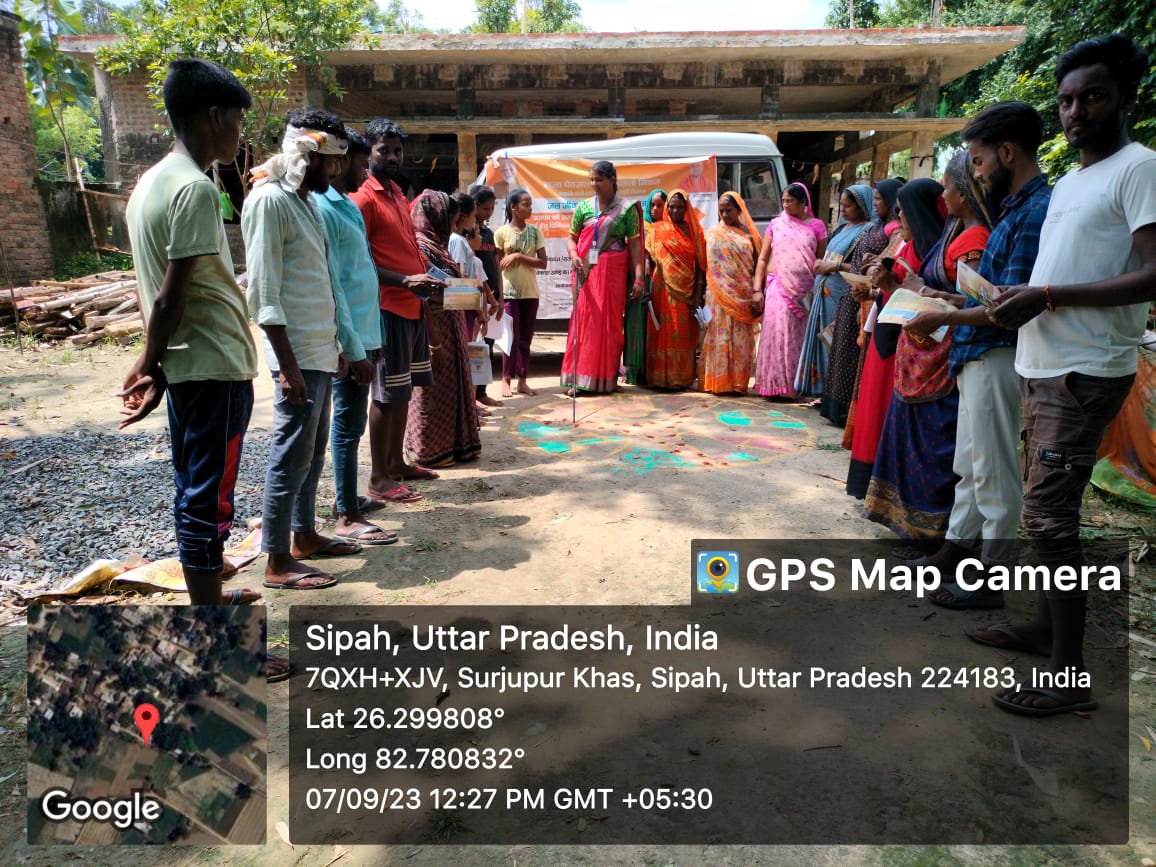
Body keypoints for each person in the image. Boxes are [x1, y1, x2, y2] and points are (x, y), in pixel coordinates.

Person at [975, 35, 1156, 716]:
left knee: (1051, 521)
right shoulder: (1074, 181)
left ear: (1124, 96)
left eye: (1093, 97)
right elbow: (1062, 269)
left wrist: (1047, 296)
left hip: (1084, 371)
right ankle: (1043, 627)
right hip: (1039, 364)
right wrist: (1019, 296)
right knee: (1041, 512)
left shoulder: (1140, 169)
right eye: (1067, 101)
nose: (1076, 112)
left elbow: (1152, 273)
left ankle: (1068, 678)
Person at [120, 59, 265, 610]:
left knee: (195, 487)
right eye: (237, 120)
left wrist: (157, 364)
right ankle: (212, 625)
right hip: (215, 366)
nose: (240, 134)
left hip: (191, 366)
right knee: (209, 498)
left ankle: (211, 600)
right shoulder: (194, 189)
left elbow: (149, 290)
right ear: (214, 116)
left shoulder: (147, 185)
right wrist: (147, 362)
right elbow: (168, 295)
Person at [902, 102, 1051, 607]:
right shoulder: (1013, 211)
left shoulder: (1033, 212)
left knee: (994, 472)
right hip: (978, 353)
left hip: (995, 353)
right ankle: (956, 550)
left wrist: (943, 316)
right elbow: (995, 295)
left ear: (1007, 152)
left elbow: (1010, 308)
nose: (978, 173)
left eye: (980, 161)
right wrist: (947, 299)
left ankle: (991, 576)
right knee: (970, 464)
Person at [243, 107, 354, 590]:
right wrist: (287, 367)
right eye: (332, 160)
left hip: (319, 350)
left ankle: (304, 535)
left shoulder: (306, 202)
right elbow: (264, 293)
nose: (338, 169)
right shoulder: (269, 201)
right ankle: (276, 559)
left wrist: (338, 343)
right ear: (308, 155)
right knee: (290, 455)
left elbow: (317, 282)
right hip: (296, 356)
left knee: (311, 453)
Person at [862, 150, 993, 543]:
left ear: (964, 193)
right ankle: (913, 524)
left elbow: (975, 301)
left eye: (948, 188)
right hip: (921, 355)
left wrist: (920, 292)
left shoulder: (974, 240)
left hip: (941, 355)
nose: (944, 195)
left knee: (936, 444)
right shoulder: (956, 235)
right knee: (915, 439)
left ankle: (934, 529)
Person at [312, 127, 398, 547]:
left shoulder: (345, 204)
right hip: (348, 340)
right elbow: (335, 284)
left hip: (364, 332)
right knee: (346, 426)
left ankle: (348, 499)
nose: (366, 173)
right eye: (362, 165)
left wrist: (374, 336)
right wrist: (351, 344)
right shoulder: (324, 208)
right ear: (341, 161)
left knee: (352, 423)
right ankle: (346, 514)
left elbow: (362, 273)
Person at [351, 119, 444, 501]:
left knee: (403, 391)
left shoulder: (397, 194)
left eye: (398, 151)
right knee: (386, 394)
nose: (392, 157)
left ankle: (396, 463)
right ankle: (378, 478)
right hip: (387, 307)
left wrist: (426, 279)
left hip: (412, 307)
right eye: (384, 150)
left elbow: (407, 247)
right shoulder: (363, 198)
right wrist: (405, 281)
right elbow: (358, 261)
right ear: (368, 152)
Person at [845, 178, 946, 498]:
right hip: (889, 335)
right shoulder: (908, 245)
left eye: (904, 212)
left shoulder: (930, 252)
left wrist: (886, 286)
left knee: (885, 408)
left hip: (911, 345)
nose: (899, 218)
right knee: (874, 407)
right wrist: (873, 290)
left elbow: (923, 299)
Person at [406, 190, 482, 467]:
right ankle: (430, 448)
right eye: (450, 216)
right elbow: (429, 291)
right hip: (434, 330)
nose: (454, 222)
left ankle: (456, 444)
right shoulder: (420, 247)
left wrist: (469, 296)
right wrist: (470, 296)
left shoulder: (439, 245)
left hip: (452, 326)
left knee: (452, 387)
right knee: (433, 389)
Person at [561, 160, 644, 394]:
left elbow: (635, 246)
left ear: (612, 180)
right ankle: (579, 380)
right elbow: (572, 238)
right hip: (587, 274)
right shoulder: (584, 208)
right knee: (585, 324)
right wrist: (573, 254)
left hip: (614, 275)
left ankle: (607, 379)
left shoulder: (627, 209)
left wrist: (639, 278)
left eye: (599, 179)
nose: (594, 184)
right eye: (591, 179)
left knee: (610, 326)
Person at [795, 185, 876, 402]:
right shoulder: (842, 228)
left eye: (848, 206)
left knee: (831, 340)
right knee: (819, 336)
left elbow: (861, 267)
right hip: (824, 292)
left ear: (862, 206)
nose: (843, 210)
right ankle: (817, 388)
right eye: (842, 205)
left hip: (840, 293)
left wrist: (834, 266)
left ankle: (829, 391)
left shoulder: (867, 231)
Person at [821, 183, 892, 426]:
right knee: (841, 349)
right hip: (851, 293)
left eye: (879, 199)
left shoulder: (886, 230)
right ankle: (834, 407)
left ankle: (845, 411)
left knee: (852, 351)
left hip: (866, 296)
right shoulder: (871, 228)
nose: (843, 209)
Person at [752, 182, 827, 398]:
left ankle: (795, 387)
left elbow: (821, 260)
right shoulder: (776, 224)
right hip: (778, 287)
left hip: (805, 291)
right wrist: (757, 289)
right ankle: (773, 385)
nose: (785, 205)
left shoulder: (817, 226)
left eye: (790, 201)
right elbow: (763, 258)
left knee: (797, 338)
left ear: (803, 203)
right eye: (783, 201)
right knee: (776, 335)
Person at [699, 192, 762, 394]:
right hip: (718, 295)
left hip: (742, 296)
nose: (725, 214)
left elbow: (758, 265)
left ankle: (737, 382)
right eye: (722, 211)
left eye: (729, 210)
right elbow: (706, 265)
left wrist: (757, 292)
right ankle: (719, 382)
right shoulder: (713, 233)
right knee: (720, 338)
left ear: (739, 210)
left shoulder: (750, 235)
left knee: (740, 340)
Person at [645, 189, 705, 389]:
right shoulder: (657, 229)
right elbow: (648, 259)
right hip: (661, 286)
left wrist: (698, 294)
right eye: (672, 207)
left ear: (686, 208)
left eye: (680, 207)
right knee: (661, 330)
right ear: (667, 208)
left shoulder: (694, 232)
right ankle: (659, 378)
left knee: (682, 331)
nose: (676, 211)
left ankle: (681, 378)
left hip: (687, 291)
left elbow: (701, 266)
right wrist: (645, 285)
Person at [495, 188, 547, 398]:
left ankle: (522, 381)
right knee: (510, 338)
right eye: (526, 204)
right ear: (513, 207)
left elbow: (543, 262)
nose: (530, 208)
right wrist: (498, 296)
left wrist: (518, 256)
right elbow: (496, 266)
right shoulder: (501, 233)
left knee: (525, 339)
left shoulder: (535, 232)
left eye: (530, 204)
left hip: (530, 293)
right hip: (509, 293)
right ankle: (506, 379)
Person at [468, 184, 504, 408]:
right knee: (475, 348)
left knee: (487, 347)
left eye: (492, 208)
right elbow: (476, 271)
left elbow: (496, 265)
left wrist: (500, 298)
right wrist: (488, 297)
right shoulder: (470, 235)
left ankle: (481, 392)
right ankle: (473, 396)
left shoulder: (489, 234)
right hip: (480, 299)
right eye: (485, 208)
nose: (489, 213)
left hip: (493, 300)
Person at [625, 189, 666, 386]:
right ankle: (635, 372)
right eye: (653, 205)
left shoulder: (670, 229)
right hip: (642, 280)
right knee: (638, 324)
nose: (656, 209)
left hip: (664, 284)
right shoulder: (644, 227)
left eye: (660, 205)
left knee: (657, 326)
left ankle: (654, 371)